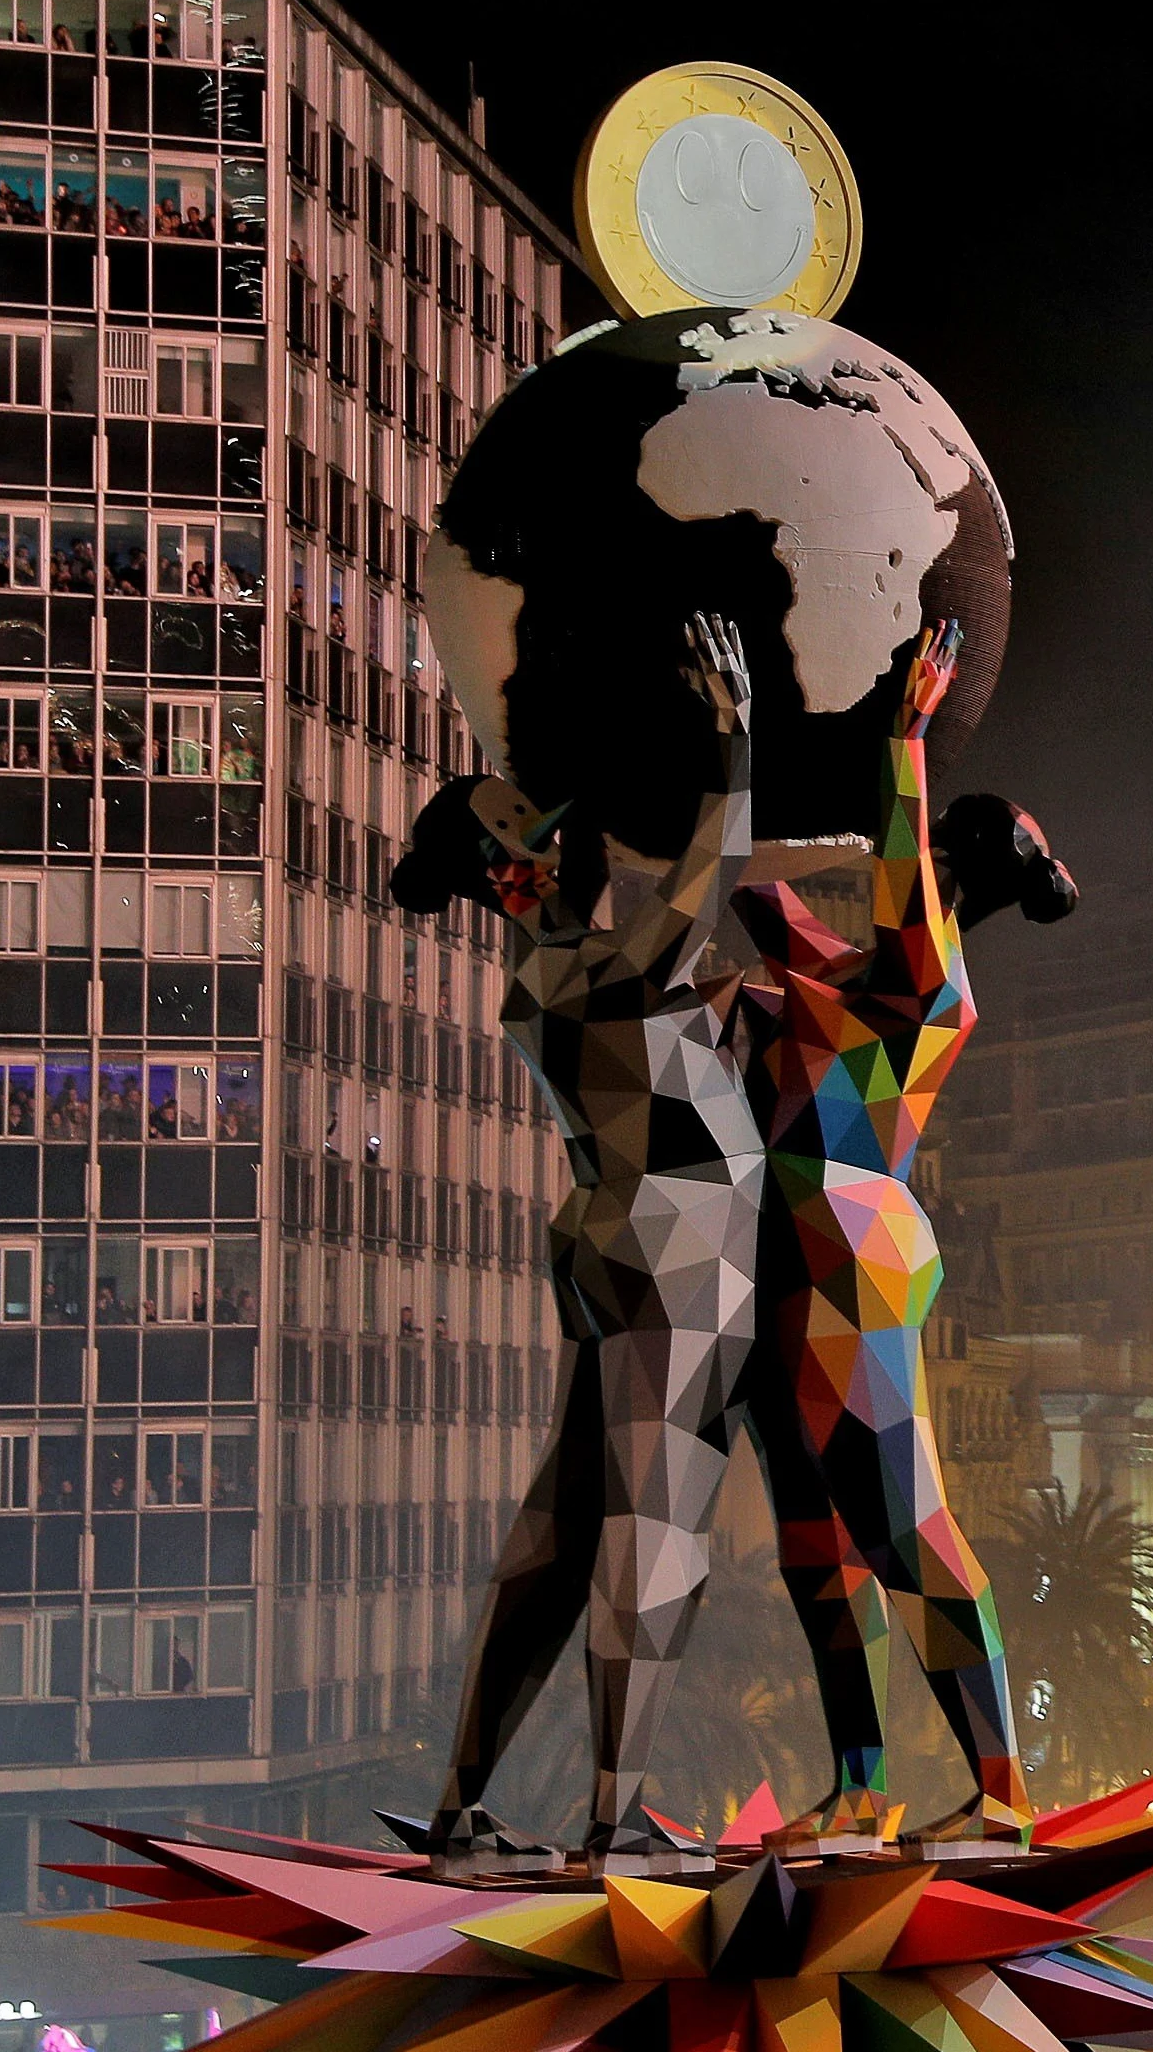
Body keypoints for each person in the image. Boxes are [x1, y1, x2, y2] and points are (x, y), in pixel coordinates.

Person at [397, 614, 762, 1871]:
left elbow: (617, 905)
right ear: (516, 871)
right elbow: (707, 881)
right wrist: (734, 745)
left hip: (619, 1245)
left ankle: (464, 1805)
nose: (559, 843)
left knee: (560, 1532)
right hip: (683, 1244)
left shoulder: (547, 978)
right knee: (651, 1531)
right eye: (536, 836)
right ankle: (614, 1820)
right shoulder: (592, 975)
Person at [724, 627, 1069, 1853]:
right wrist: (733, 744)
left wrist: (901, 737)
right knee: (818, 1543)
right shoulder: (848, 975)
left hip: (850, 1250)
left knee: (901, 1526)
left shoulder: (928, 982)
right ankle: (861, 1784)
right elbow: (752, 892)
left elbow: (891, 875)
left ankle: (998, 1791)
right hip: (778, 1257)